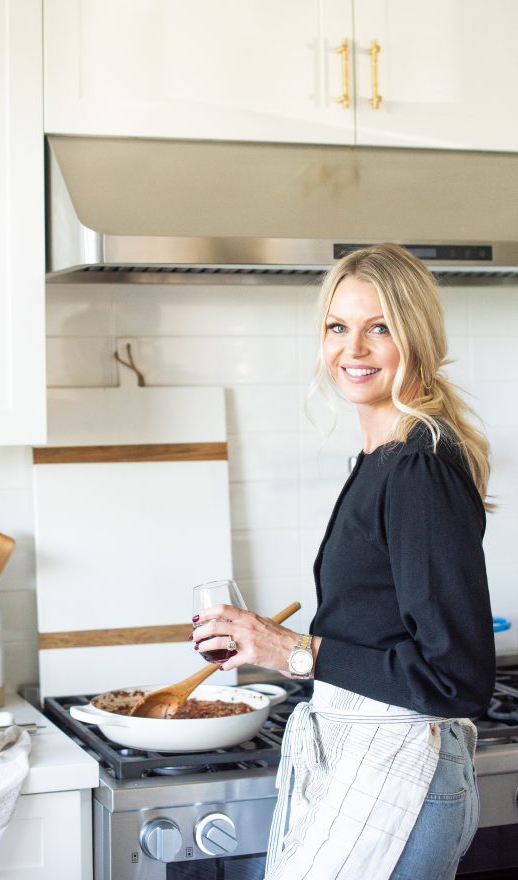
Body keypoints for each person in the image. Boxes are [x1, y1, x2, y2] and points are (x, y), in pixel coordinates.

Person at [192, 243, 495, 880]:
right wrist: (269, 643)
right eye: (338, 327)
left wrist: (291, 651)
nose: (352, 350)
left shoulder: (417, 467)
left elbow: (456, 677)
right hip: (371, 757)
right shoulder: (385, 457)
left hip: (407, 773)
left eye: (378, 327)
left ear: (417, 337)